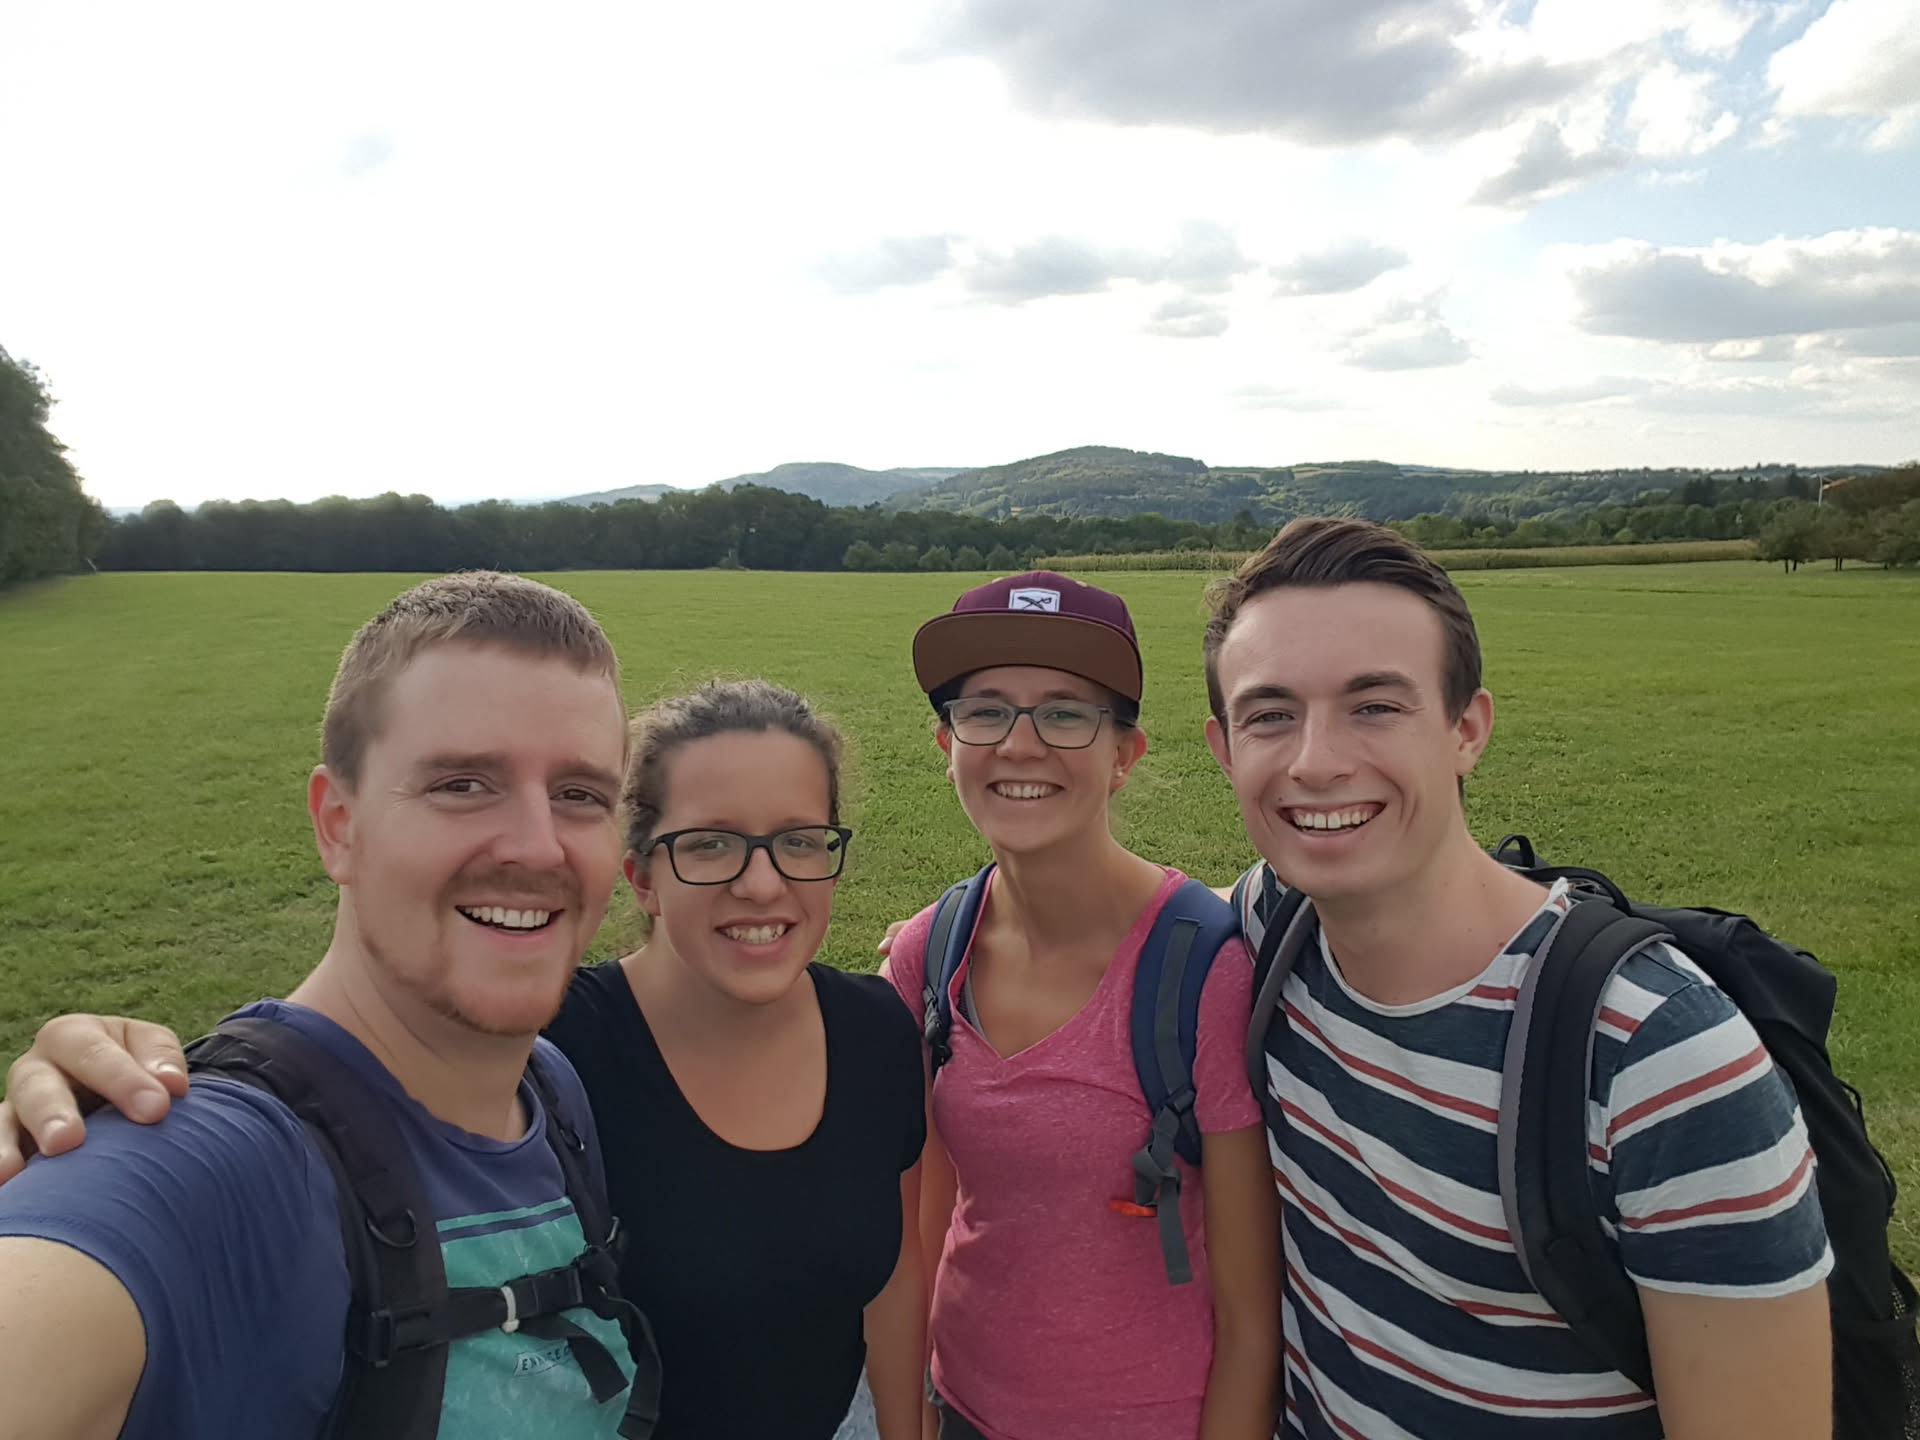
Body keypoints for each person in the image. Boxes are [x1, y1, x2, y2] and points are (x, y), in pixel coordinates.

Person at [0, 677, 928, 1440]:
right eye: (710, 844)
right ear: (640, 874)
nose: (763, 883)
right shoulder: (541, 1048)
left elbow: (889, 1277)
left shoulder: (875, 1028)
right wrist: (138, 1077)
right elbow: (320, 1079)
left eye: (799, 842)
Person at [1203, 517, 1833, 1439]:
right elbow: (1126, 924)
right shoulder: (1275, 924)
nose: (1316, 761)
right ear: (1224, 750)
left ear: (1466, 730)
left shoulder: (1659, 1061)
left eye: (1375, 706)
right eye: (1270, 715)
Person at [0, 571, 651, 1439]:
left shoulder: (550, 1090)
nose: (538, 848)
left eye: (579, 795)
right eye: (462, 784)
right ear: (337, 823)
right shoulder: (211, 1165)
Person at [880, 571, 1280, 1439]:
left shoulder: (1202, 972)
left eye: (1065, 714)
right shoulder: (931, 954)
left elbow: (1252, 1321)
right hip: (964, 1405)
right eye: (986, 711)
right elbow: (919, 1230)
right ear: (947, 743)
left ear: (1124, 755)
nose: (1019, 745)